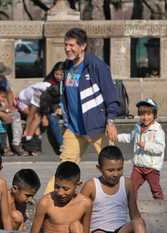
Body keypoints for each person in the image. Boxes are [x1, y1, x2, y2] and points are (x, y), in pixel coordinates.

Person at [44, 27, 120, 193]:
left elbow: (111, 95)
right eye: (66, 45)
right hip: (74, 129)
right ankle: (49, 200)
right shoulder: (67, 66)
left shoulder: (96, 66)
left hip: (98, 127)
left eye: (72, 45)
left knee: (111, 167)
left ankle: (119, 199)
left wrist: (111, 121)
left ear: (83, 46)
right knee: (64, 167)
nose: (67, 48)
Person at [80, 146, 154, 233]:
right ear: (99, 168)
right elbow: (78, 215)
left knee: (139, 222)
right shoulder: (91, 185)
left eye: (119, 169)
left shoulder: (127, 184)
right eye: (110, 170)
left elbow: (134, 213)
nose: (115, 174)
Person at [117, 98, 165, 200]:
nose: (145, 117)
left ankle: (162, 205)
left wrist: (146, 146)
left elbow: (159, 148)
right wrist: (116, 137)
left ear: (154, 115)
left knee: (155, 189)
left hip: (151, 167)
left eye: (148, 114)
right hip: (138, 166)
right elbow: (130, 137)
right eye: (142, 114)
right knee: (132, 187)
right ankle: (131, 206)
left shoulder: (157, 131)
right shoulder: (138, 128)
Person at [17, 81, 54, 156]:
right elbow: (31, 114)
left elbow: (46, 107)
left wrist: (45, 117)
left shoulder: (52, 89)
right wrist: (27, 129)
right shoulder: (38, 94)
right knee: (36, 117)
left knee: (37, 120)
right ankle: (30, 142)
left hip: (34, 103)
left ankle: (32, 145)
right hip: (22, 101)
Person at [41, 61, 65, 155]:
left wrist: (63, 108)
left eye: (61, 74)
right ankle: (62, 145)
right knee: (52, 118)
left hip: (66, 108)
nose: (58, 77)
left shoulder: (69, 83)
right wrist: (54, 110)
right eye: (56, 74)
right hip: (54, 109)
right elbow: (46, 100)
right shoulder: (49, 83)